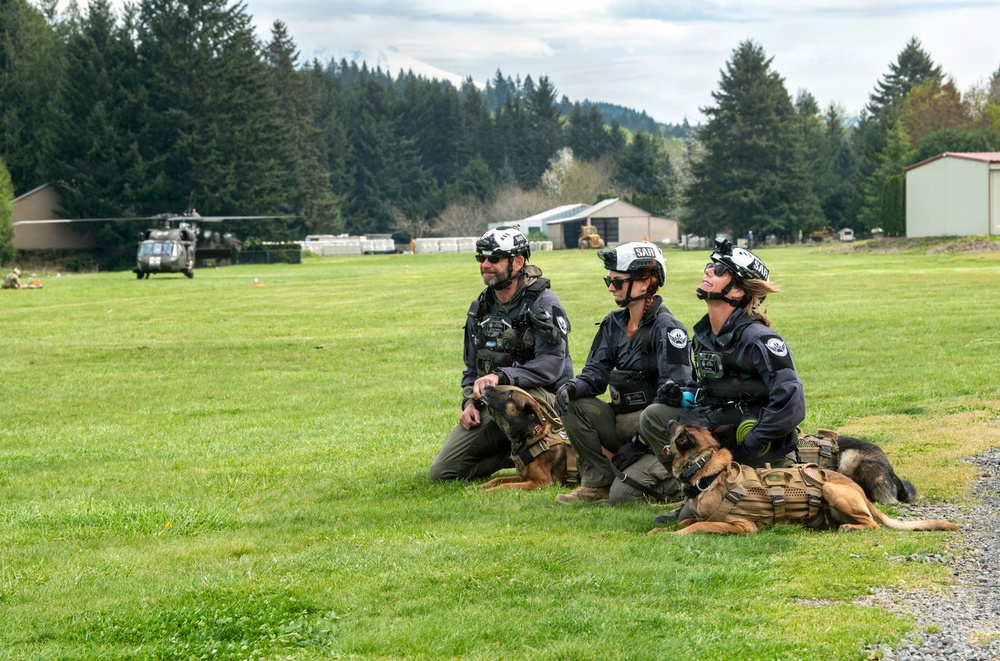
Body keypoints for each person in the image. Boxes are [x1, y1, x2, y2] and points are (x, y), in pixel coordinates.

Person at [641, 236, 805, 476]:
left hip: (761, 450)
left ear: (737, 290)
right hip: (720, 433)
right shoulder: (705, 336)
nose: (708, 272)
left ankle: (707, 483)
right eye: (709, 266)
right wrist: (682, 393)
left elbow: (792, 401)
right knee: (654, 415)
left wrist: (752, 441)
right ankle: (688, 484)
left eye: (719, 270)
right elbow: (710, 388)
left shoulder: (760, 339)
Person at [553, 242, 693, 505]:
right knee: (573, 404)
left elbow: (671, 398)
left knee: (622, 496)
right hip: (619, 421)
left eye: (617, 282)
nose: (610, 287)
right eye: (609, 280)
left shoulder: (668, 329)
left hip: (654, 430)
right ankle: (597, 483)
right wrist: (572, 387)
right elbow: (595, 374)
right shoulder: (613, 323)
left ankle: (673, 479)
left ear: (645, 283)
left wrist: (638, 443)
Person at [429, 226, 573, 482]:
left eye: (493, 259)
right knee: (443, 472)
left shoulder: (544, 303)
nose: (485, 264)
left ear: (517, 262)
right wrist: (470, 403)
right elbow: (472, 369)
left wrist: (500, 376)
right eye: (481, 258)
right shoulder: (481, 308)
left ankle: (546, 448)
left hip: (542, 401)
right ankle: (520, 455)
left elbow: (551, 365)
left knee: (506, 392)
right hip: (498, 402)